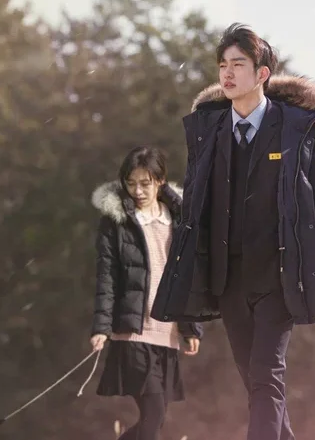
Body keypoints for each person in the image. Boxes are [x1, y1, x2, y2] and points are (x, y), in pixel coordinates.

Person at [150, 23, 315, 440]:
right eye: (223, 65)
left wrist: (313, 249)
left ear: (262, 74)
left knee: (266, 374)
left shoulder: (299, 129)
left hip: (280, 277)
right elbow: (197, 206)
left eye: (238, 64)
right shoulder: (207, 131)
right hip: (228, 280)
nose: (227, 73)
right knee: (256, 381)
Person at [89, 146, 203, 440]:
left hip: (168, 334)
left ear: (160, 181)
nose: (137, 191)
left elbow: (188, 278)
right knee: (153, 417)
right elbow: (107, 276)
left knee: (156, 419)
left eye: (145, 183)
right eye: (131, 183)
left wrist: (190, 327)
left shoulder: (179, 219)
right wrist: (101, 326)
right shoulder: (116, 222)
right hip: (134, 335)